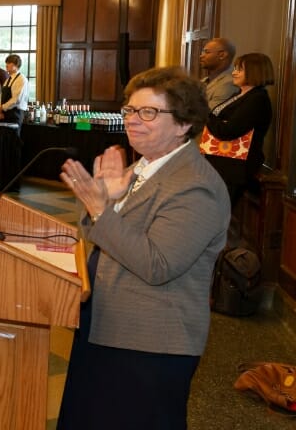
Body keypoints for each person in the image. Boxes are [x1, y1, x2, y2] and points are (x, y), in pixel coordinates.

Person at [57, 66, 229, 429]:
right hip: (106, 326)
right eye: (130, 110)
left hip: (151, 346)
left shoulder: (195, 187)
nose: (133, 120)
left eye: (148, 112)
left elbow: (157, 264)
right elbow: (103, 237)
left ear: (184, 123)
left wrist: (101, 208)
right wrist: (106, 202)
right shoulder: (145, 167)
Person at [203, 52, 274, 206]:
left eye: (239, 69)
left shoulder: (257, 99)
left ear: (255, 72)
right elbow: (222, 123)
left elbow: (228, 131)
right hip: (220, 163)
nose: (234, 73)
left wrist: (206, 113)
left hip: (234, 168)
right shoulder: (239, 94)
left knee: (215, 216)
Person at [199, 38, 239, 109]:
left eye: (207, 52)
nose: (201, 56)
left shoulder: (230, 82)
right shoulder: (205, 80)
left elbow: (208, 114)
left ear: (222, 55)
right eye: (202, 52)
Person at [0, 54, 29, 127]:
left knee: (13, 137)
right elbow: (1, 96)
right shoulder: (8, 79)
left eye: (9, 63)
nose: (6, 65)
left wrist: (2, 108)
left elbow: (16, 100)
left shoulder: (21, 79)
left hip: (15, 114)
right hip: (4, 114)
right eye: (6, 63)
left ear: (16, 65)